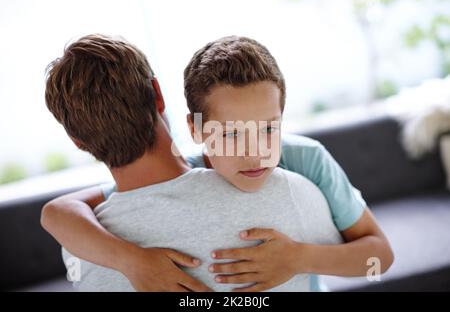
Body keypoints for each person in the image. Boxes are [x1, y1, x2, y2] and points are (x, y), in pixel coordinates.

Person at [42, 34, 393, 292]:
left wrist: (300, 258)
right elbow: (57, 211)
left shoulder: (305, 160)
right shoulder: (196, 164)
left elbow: (380, 259)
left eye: (268, 128)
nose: (255, 153)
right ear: (193, 126)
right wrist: (132, 261)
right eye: (230, 134)